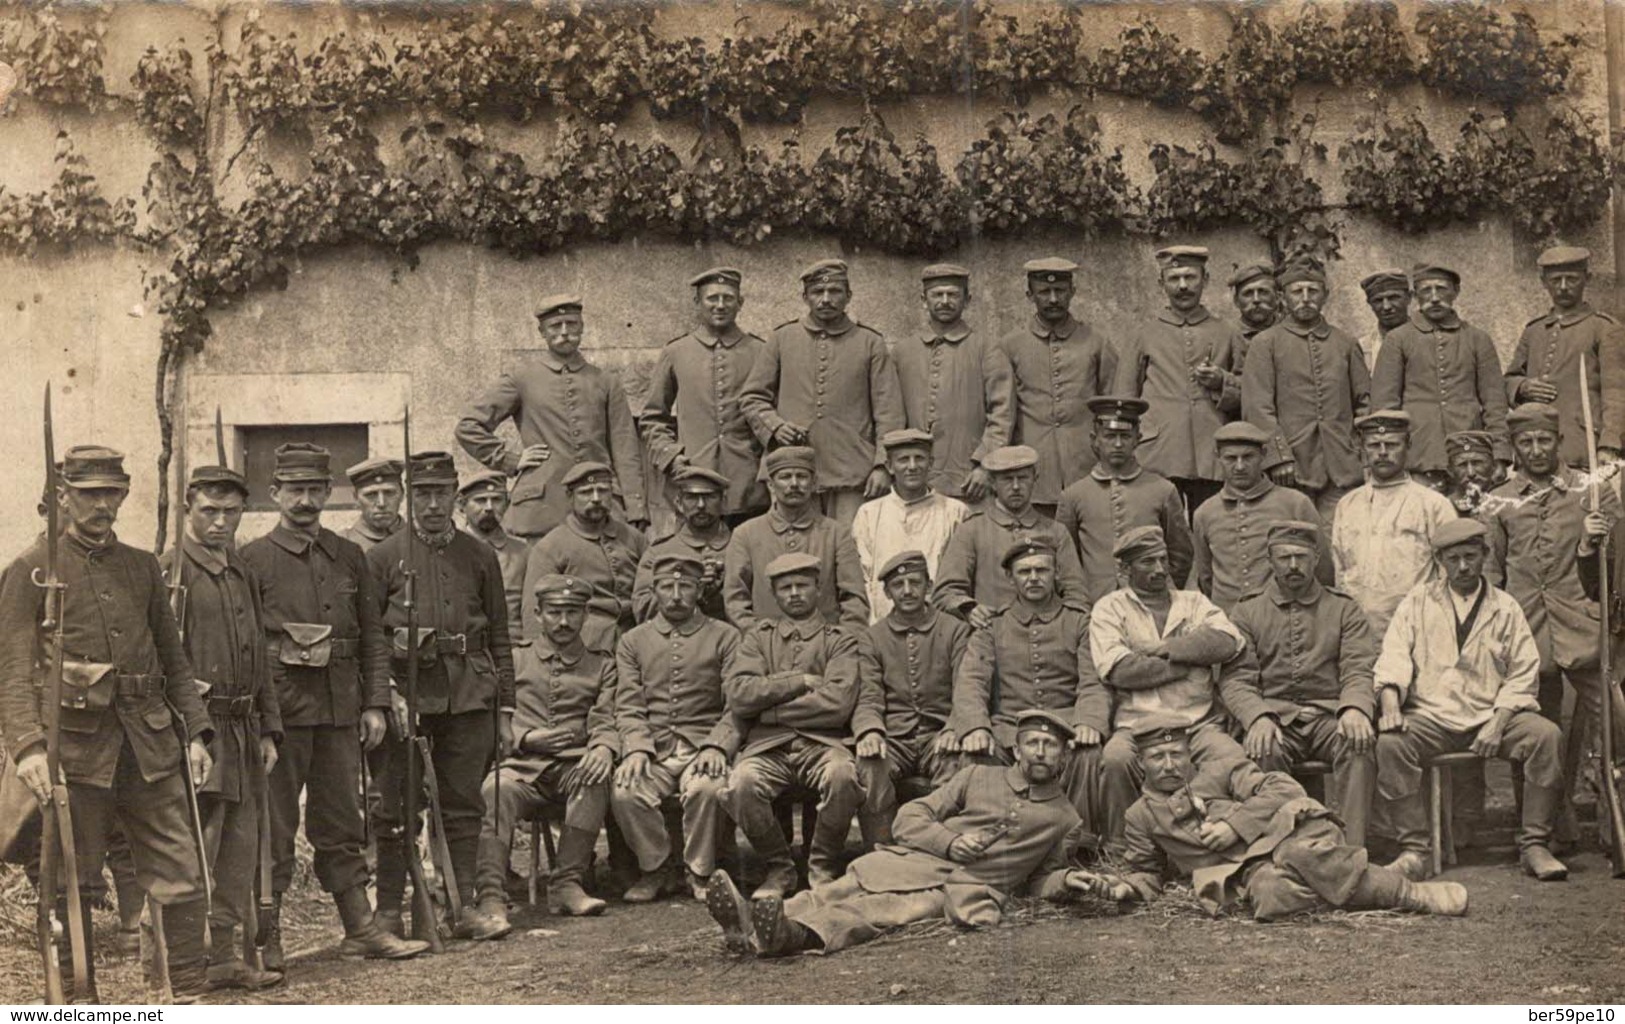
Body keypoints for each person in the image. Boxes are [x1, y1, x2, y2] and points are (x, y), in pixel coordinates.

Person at [0, 447, 215, 1000]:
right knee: (75, 879)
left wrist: (195, 731)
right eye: (89, 493)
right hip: (72, 749)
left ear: (123, 495)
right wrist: (26, 747)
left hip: (148, 741)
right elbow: (12, 670)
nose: (101, 504)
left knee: (181, 866)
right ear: (64, 495)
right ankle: (78, 999)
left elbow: (174, 659)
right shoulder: (32, 570)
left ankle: (186, 991)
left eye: (111, 493)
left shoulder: (142, 565)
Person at [704, 710, 1095, 958]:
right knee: (838, 889)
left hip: (961, 889)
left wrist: (1065, 880)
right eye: (1033, 743)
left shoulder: (1065, 818)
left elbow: (1038, 878)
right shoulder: (978, 775)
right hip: (912, 861)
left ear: (1064, 755)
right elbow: (911, 816)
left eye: (1051, 745)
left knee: (876, 910)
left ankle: (792, 935)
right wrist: (950, 841)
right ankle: (749, 920)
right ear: (1018, 748)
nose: (1041, 752)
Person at [240, 444, 423, 967]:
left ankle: (360, 928)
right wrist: (263, 720)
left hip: (341, 709)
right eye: (293, 490)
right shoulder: (253, 559)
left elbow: (372, 638)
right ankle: (265, 935)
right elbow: (249, 644)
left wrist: (375, 703)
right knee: (274, 827)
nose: (304, 500)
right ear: (274, 494)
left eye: (314, 490)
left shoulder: (349, 556)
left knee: (343, 821)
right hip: (283, 712)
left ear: (327, 493)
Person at [1080, 718, 1467, 920]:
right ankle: (1368, 883)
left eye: (1176, 754)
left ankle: (1409, 895)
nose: (1168, 765)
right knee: (1269, 896)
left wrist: (1237, 824)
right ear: (1141, 762)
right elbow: (1146, 871)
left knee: (1298, 855)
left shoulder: (1220, 770)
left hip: (1295, 832)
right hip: (1248, 870)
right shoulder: (1141, 816)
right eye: (1157, 757)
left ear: (1188, 754)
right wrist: (1127, 889)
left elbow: (1284, 789)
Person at [367, 451, 516, 941]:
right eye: (423, 494)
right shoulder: (385, 557)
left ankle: (463, 904)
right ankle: (388, 911)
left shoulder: (479, 556)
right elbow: (372, 640)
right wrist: (387, 695)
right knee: (397, 807)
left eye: (441, 493)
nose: (433, 504)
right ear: (410, 498)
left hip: (470, 696)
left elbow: (499, 638)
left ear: (455, 495)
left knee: (463, 805)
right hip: (408, 699)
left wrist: (505, 711)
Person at [1373, 518, 1569, 882]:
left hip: (1491, 716)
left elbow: (1523, 671)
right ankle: (1414, 848)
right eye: (1453, 559)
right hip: (1432, 717)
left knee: (1546, 737)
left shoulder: (1505, 607)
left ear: (1485, 556)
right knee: (1390, 744)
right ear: (1439, 562)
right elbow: (1394, 656)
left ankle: (1535, 845)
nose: (1462, 567)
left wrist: (1497, 723)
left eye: (1470, 557)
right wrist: (1390, 705)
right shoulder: (1417, 602)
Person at [158, 465, 284, 991]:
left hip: (245, 728)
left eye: (231, 512)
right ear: (189, 507)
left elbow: (260, 656)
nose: (220, 522)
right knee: (192, 849)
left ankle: (224, 957)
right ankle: (170, 963)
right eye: (209, 510)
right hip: (202, 734)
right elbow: (167, 665)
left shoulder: (241, 570)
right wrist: (190, 735)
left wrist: (270, 729)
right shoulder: (168, 572)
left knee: (239, 848)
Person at [1492, 404, 1625, 825]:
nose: (1535, 449)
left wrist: (1594, 538)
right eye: (1526, 442)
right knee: (1535, 732)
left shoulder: (1591, 491)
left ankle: (1614, 826)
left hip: (1584, 625)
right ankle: (1547, 831)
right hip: (1526, 629)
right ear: (1515, 447)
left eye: (1544, 440)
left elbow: (1615, 565)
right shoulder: (1501, 501)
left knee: (1614, 725)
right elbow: (1493, 573)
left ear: (1559, 441)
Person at [1222, 520, 1377, 847]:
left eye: (1301, 557)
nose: (1293, 565)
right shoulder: (1247, 612)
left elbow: (1358, 667)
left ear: (1316, 558)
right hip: (1276, 718)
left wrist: (1354, 709)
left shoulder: (1343, 609)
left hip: (1328, 717)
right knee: (1263, 748)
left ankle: (1351, 850)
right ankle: (1280, 851)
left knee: (1358, 744)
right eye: (1284, 557)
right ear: (1270, 560)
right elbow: (1237, 678)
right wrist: (1257, 717)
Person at [1091, 526, 1249, 844]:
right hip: (1136, 726)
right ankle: (1125, 850)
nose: (1160, 570)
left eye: (1163, 560)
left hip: (1198, 724)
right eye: (1147, 562)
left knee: (1232, 759)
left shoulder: (1193, 602)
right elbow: (1122, 670)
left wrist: (1169, 649)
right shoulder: (1110, 608)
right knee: (1115, 759)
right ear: (1125, 570)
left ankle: (1223, 844)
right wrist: (1190, 660)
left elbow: (1228, 642)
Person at [473, 575, 617, 923]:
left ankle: (567, 885)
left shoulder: (603, 665)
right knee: (495, 788)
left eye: (572, 612)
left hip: (573, 766)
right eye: (554, 612)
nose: (564, 621)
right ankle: (490, 894)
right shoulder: (515, 661)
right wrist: (523, 738)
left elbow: (610, 714)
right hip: (522, 768)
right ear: (538, 614)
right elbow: (490, 712)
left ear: (586, 615)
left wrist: (602, 747)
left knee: (593, 780)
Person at [722, 553, 863, 896]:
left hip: (823, 744)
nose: (795, 593)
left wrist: (768, 710)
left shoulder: (839, 639)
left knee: (843, 776)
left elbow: (839, 704)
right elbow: (740, 695)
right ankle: (779, 868)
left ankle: (822, 866)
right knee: (741, 784)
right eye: (786, 588)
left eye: (803, 585)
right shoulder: (757, 638)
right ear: (775, 594)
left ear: (818, 588)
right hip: (769, 746)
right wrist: (797, 681)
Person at [457, 294, 648, 540]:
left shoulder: (606, 382)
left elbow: (625, 449)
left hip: (600, 505)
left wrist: (635, 506)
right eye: (556, 326)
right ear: (542, 332)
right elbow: (468, 426)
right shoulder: (521, 378)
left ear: (582, 327)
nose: (565, 331)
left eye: (572, 324)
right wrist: (510, 460)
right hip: (542, 509)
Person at [948, 538, 1107, 830]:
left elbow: (1092, 680)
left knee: (1089, 752)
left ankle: (1079, 840)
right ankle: (989, 837)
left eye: (1042, 570)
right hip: (1011, 726)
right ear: (1010, 578)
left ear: (1056, 573)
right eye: (1024, 572)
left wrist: (1089, 721)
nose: (1033, 578)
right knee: (977, 751)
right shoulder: (993, 626)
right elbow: (971, 681)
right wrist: (975, 727)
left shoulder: (1080, 623)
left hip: (1066, 724)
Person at [612, 553, 740, 903]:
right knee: (625, 791)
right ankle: (656, 869)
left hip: (702, 745)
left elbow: (737, 705)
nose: (676, 595)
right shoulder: (633, 641)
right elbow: (627, 703)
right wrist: (636, 747)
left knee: (709, 788)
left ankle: (698, 871)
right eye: (667, 587)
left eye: (686, 586)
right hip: (655, 749)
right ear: (654, 590)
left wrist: (717, 745)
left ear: (700, 591)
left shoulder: (725, 636)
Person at [738, 259, 904, 527]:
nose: (826, 299)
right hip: (792, 468)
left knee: (851, 549)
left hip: (853, 472)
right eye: (817, 292)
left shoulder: (870, 342)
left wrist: (882, 466)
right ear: (805, 297)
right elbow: (752, 397)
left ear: (848, 295)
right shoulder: (782, 338)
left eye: (835, 292)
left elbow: (890, 412)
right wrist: (775, 427)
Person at [1112, 245, 1244, 518]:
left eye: (1190, 277)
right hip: (1158, 453)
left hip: (1211, 454)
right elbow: (1124, 401)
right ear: (1162, 284)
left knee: (1212, 526)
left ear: (1205, 279)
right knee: (1157, 533)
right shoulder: (1143, 334)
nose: (1183, 286)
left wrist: (1222, 381)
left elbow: (1250, 394)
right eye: (1174, 278)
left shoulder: (1227, 333)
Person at [1241, 259, 1372, 523]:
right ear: (1282, 297)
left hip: (1342, 468)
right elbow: (1258, 407)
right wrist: (1278, 458)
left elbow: (1365, 403)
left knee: (1341, 543)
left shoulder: (1345, 344)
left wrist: (1360, 453)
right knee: (1294, 543)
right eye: (1297, 292)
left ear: (1325, 295)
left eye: (1312, 291)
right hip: (1291, 470)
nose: (1305, 299)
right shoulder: (1265, 343)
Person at [854, 551, 970, 846]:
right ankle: (880, 852)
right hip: (895, 737)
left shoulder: (954, 630)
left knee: (957, 760)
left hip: (939, 733)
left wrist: (956, 726)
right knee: (870, 763)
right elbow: (869, 694)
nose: (907, 591)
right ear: (887, 592)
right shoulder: (872, 637)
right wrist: (870, 731)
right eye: (898, 584)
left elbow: (966, 687)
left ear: (928, 586)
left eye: (914, 582)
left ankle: (939, 848)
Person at [638, 267, 769, 525]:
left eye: (728, 298)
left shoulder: (760, 351)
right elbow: (653, 419)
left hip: (749, 486)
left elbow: (773, 414)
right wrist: (672, 457)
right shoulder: (676, 352)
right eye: (712, 298)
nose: (720, 305)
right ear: (697, 303)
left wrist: (765, 471)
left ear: (740, 303)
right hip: (693, 480)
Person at [1371, 264, 1511, 490]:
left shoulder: (1478, 339)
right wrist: (1390, 457)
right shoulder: (1397, 340)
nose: (1434, 298)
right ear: (1415, 296)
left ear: (1456, 292)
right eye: (1426, 290)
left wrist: (1500, 455)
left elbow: (1495, 402)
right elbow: (1384, 407)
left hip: (1470, 457)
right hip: (1418, 457)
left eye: (1442, 289)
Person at [892, 263, 1014, 504]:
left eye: (953, 294)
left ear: (967, 300)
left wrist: (984, 465)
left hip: (969, 480)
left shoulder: (987, 348)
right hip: (913, 482)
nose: (945, 301)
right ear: (923, 300)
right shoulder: (902, 351)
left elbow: (1002, 412)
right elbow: (890, 415)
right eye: (937, 294)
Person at [1332, 411, 1458, 641]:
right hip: (1360, 633)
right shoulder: (1347, 505)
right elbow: (1340, 572)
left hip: (1418, 630)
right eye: (1374, 445)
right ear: (1363, 448)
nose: (1382, 452)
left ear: (1408, 445)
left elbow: (1449, 574)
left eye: (1391, 445)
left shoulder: (1433, 504)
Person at [999, 257, 1112, 514]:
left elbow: (1110, 404)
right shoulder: (1010, 346)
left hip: (1086, 465)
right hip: (1034, 467)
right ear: (1030, 295)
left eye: (1059, 291)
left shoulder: (1097, 342)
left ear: (1072, 292)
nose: (1052, 299)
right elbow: (1003, 411)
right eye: (1044, 292)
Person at [932, 444, 1087, 628]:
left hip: (1049, 637)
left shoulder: (1055, 531)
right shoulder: (972, 530)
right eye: (1007, 479)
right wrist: (969, 609)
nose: (1015, 486)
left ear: (1034, 479)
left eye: (1022, 478)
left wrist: (1061, 626)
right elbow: (945, 593)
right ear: (992, 483)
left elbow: (1076, 595)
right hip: (992, 636)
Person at [1055, 396, 1192, 602]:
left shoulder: (1163, 490)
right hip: (1095, 603)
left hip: (1151, 602)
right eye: (1110, 436)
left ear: (1138, 438)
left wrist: (1158, 590)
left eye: (1125, 436)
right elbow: (1066, 559)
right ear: (1095, 440)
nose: (1118, 444)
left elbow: (1180, 555)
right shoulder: (1074, 495)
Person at [1504, 245, 1625, 469]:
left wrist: (1609, 444)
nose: (1563, 287)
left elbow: (1617, 392)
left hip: (1583, 444)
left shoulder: (1604, 328)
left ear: (1586, 279)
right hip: (1535, 449)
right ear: (1543, 282)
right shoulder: (1534, 330)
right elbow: (1509, 378)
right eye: (1555, 280)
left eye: (1572, 279)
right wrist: (1522, 387)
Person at [722, 446, 867, 632]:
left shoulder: (836, 533)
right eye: (785, 477)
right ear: (771, 485)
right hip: (765, 647)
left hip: (826, 647)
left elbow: (855, 599)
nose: (794, 484)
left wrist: (840, 641)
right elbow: (735, 600)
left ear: (814, 483)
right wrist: (759, 637)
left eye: (801, 476)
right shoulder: (745, 534)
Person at [1193, 422, 1329, 612]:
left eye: (1248, 457)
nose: (1239, 466)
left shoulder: (1295, 503)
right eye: (1231, 458)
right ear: (1218, 458)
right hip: (1228, 618)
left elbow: (1323, 570)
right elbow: (1206, 577)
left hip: (1284, 617)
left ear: (1263, 455)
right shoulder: (1205, 513)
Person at [521, 462, 647, 651]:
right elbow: (533, 611)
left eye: (602, 491)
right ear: (570, 497)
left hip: (636, 641)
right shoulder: (551, 546)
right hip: (583, 647)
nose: (596, 498)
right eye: (586, 492)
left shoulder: (634, 538)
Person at [851, 429, 968, 622]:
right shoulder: (869, 514)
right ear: (889, 466)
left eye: (919, 458)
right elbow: (863, 577)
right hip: (882, 624)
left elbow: (958, 578)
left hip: (938, 624)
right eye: (903, 459)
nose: (912, 466)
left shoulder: (955, 512)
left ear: (930, 463)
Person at [631, 466, 732, 624]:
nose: (700, 505)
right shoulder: (659, 552)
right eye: (691, 497)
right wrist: (690, 589)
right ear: (678, 503)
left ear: (724, 502)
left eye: (709, 497)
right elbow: (642, 611)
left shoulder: (743, 545)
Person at [458, 469, 530, 633]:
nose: (489, 507)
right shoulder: (450, 550)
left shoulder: (523, 552)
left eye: (496, 500)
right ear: (462, 505)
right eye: (481, 500)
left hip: (513, 645)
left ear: (507, 504)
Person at [343, 457, 405, 552]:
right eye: (371, 495)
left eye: (389, 493)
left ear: (402, 494)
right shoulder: (341, 545)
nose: (381, 503)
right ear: (356, 498)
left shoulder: (420, 540)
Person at [1357, 268, 1411, 375]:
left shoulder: (1428, 341)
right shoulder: (1363, 349)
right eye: (1378, 300)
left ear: (1409, 297)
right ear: (1370, 304)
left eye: (1393, 298)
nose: (1386, 306)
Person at [1443, 430, 1502, 519]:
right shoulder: (1444, 508)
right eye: (1462, 465)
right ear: (1450, 470)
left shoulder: (1507, 502)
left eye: (1477, 463)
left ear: (1493, 465)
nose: (1471, 473)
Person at [1228, 260, 1281, 349]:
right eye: (1248, 293)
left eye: (1263, 292)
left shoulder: (1290, 333)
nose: (1256, 299)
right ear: (1236, 301)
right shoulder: (1227, 336)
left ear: (1278, 297)